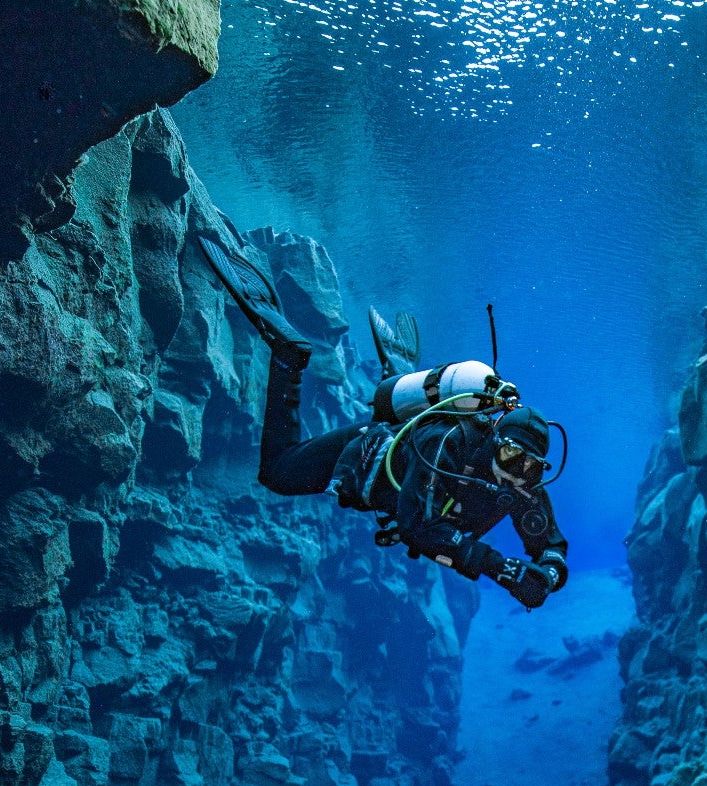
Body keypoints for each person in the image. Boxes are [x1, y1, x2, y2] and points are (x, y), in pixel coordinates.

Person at [199, 231, 569, 610]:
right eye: (510, 455)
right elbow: (417, 528)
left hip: (407, 473)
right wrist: (502, 569)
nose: (516, 470)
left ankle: (398, 374)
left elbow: (550, 546)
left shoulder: (524, 483)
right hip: (365, 456)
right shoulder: (448, 443)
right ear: (494, 436)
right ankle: (287, 356)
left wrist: (548, 574)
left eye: (528, 465)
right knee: (277, 473)